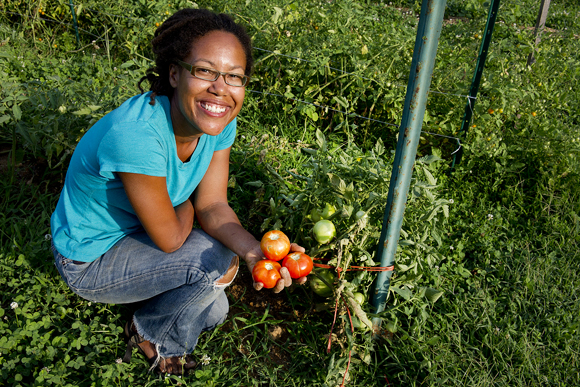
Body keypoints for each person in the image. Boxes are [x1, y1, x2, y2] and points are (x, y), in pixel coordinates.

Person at [50, 8, 307, 375]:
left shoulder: (217, 123)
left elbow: (214, 205)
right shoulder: (138, 135)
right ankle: (151, 336)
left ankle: (153, 305)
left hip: (139, 233)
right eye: (204, 71)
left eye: (234, 77)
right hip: (88, 259)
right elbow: (172, 237)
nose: (221, 88)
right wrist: (186, 203)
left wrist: (255, 252)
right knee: (212, 263)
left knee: (215, 307)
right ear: (174, 74)